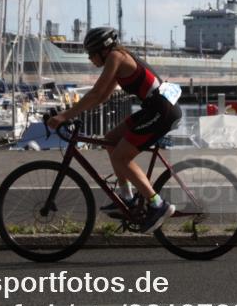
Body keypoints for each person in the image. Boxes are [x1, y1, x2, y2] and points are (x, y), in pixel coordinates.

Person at [47, 27, 181, 233]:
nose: (89, 58)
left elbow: (95, 93)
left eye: (91, 53)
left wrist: (65, 116)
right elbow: (101, 97)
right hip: (153, 109)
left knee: (121, 157)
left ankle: (158, 204)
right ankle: (127, 198)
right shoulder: (117, 60)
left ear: (103, 50)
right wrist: (72, 113)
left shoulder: (116, 57)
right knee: (110, 139)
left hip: (162, 111)